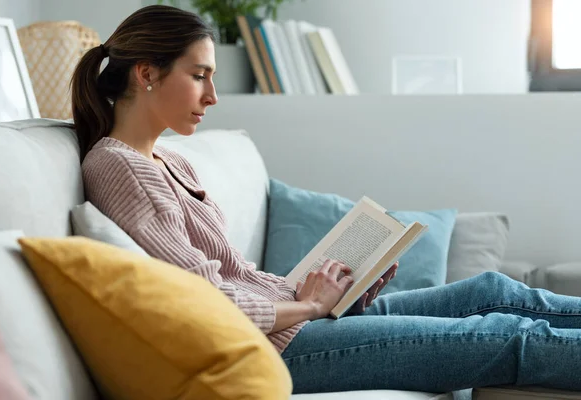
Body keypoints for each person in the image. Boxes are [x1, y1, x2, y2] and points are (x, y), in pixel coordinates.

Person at [71, 5, 581, 395]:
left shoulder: (170, 160)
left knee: (488, 290)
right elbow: (205, 304)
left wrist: (335, 294)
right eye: (200, 74)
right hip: (266, 350)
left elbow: (237, 276)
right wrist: (312, 306)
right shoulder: (119, 166)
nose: (212, 95)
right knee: (502, 335)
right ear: (146, 74)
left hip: (290, 323)